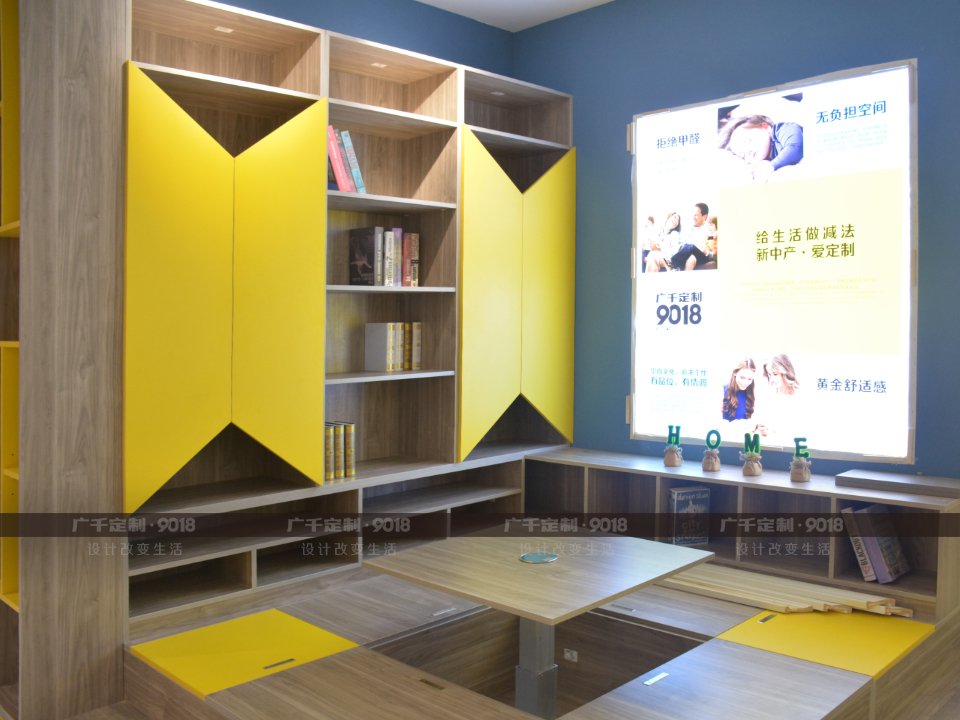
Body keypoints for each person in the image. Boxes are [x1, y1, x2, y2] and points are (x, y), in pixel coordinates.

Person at [718, 114, 803, 182]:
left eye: (748, 141)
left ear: (766, 128)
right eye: (743, 155)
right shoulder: (767, 159)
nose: (748, 151)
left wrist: (770, 166)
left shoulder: (782, 128)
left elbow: (796, 147)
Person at [756, 354, 800, 438]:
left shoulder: (798, 397)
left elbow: (797, 431)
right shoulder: (768, 395)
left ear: (785, 371)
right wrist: (761, 429)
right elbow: (759, 423)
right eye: (769, 374)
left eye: (775, 374)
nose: (772, 379)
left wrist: (774, 432)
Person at [670, 203, 715, 270]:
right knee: (687, 246)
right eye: (693, 214)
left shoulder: (709, 229)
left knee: (690, 246)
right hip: (686, 254)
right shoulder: (687, 227)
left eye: (696, 215)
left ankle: (673, 262)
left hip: (702, 255)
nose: (693, 217)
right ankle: (675, 265)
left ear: (704, 216)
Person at [722, 358, 757, 422]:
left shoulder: (753, 391)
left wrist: (753, 424)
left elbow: (755, 418)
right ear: (735, 372)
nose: (745, 382)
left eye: (749, 379)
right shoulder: (723, 390)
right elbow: (716, 421)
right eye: (742, 378)